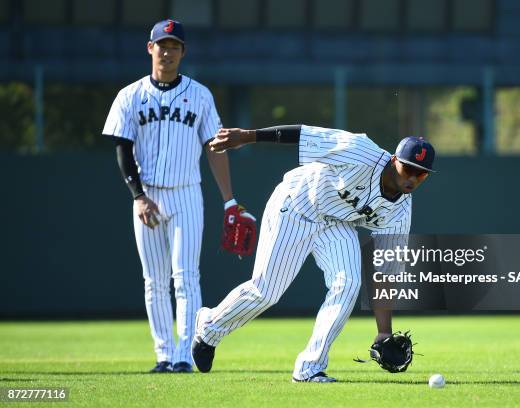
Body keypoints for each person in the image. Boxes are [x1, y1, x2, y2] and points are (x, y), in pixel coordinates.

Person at [192, 124, 435, 382]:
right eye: (408, 168)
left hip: (336, 222)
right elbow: (303, 134)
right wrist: (247, 137)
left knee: (349, 283)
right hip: (297, 203)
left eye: (421, 174)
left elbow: (384, 273)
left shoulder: (400, 213)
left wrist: (383, 333)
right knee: (266, 291)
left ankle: (310, 368)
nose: (412, 178)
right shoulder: (360, 151)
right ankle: (209, 328)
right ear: (394, 160)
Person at [102, 19, 249, 373]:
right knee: (154, 281)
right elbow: (122, 148)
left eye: (174, 46)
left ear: (183, 52)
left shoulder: (200, 95)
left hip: (186, 194)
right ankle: (163, 354)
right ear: (150, 48)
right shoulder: (131, 95)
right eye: (162, 45)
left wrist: (229, 200)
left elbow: (215, 147)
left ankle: (184, 355)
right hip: (148, 196)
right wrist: (137, 195)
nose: (167, 52)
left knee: (185, 278)